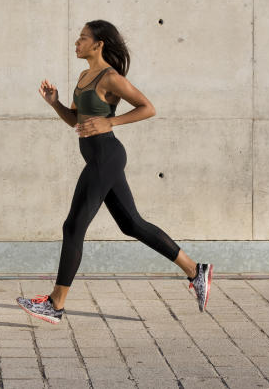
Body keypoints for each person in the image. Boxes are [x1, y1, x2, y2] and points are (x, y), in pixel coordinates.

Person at [16, 20, 212, 324]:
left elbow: (148, 107)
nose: (76, 42)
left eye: (82, 38)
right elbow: (75, 122)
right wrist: (55, 104)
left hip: (105, 156)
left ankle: (56, 304)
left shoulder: (110, 77)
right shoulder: (84, 76)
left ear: (98, 44)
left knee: (73, 227)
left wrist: (112, 122)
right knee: (132, 223)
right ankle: (195, 270)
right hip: (98, 158)